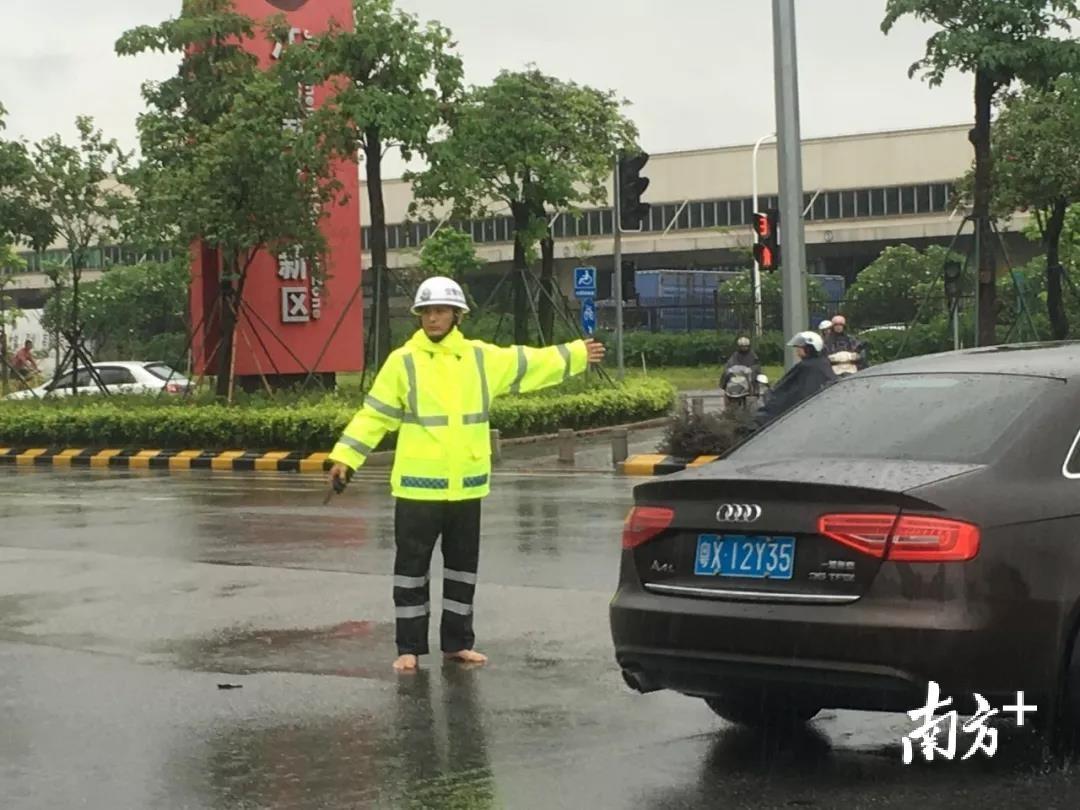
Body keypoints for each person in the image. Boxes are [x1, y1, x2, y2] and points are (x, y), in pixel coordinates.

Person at [327, 276, 606, 673]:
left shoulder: (480, 358)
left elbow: (528, 363)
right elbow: (374, 415)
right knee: (411, 573)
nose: (432, 318)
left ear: (457, 315)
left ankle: (457, 643)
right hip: (418, 488)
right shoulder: (403, 361)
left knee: (461, 569)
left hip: (466, 487)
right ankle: (409, 648)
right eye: (426, 312)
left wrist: (577, 353)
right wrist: (346, 457)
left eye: (440, 311)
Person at [754, 331, 836, 427]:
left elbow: (785, 387)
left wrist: (770, 403)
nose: (797, 350)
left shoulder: (806, 366)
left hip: (799, 413)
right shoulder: (823, 363)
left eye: (800, 347)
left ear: (809, 348)